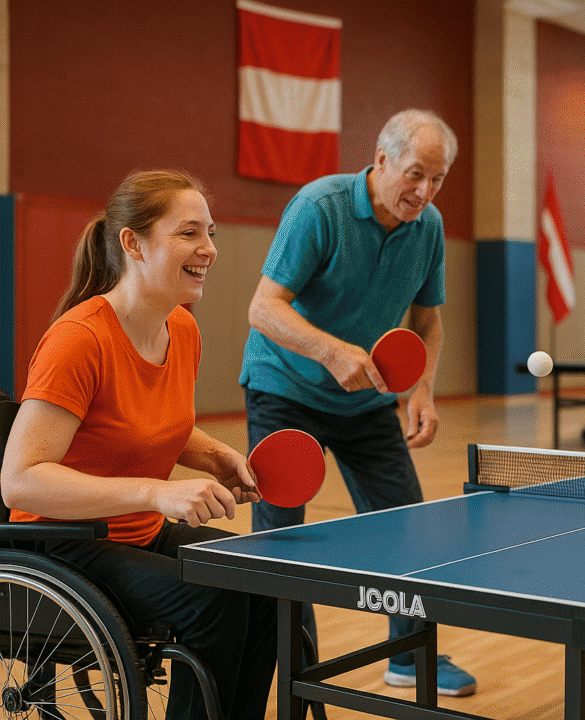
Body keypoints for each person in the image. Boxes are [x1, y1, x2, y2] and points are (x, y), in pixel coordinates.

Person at [0, 170, 276, 720]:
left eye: (211, 233)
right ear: (133, 243)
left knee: (263, 580)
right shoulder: (79, 339)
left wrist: (214, 456)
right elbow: (20, 479)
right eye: (189, 233)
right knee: (215, 599)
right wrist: (156, 492)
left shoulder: (183, 330)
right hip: (60, 543)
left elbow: (146, 422)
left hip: (137, 533)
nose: (209, 249)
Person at [239, 108, 477, 696]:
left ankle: (409, 658)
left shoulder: (428, 227)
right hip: (285, 390)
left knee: (406, 527)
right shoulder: (319, 208)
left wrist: (423, 390)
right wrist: (329, 351)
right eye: (415, 174)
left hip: (366, 398)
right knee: (282, 541)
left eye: (438, 179)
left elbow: (428, 322)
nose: (425, 191)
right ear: (381, 160)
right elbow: (263, 308)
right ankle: (294, 670)